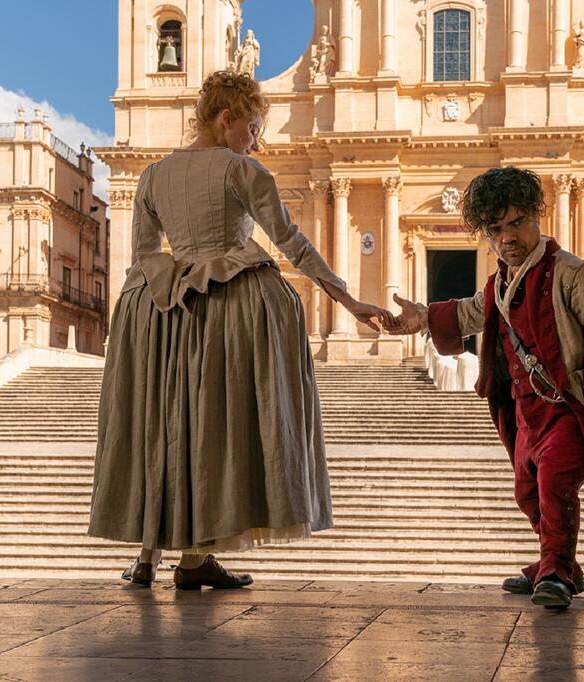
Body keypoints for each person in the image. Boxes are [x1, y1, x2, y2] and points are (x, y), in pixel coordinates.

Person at [88, 70, 392, 589]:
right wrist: (347, 298)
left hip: (160, 313)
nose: (256, 140)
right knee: (214, 431)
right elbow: (290, 242)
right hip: (226, 310)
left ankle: (149, 553)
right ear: (226, 119)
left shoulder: (153, 175)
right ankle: (193, 558)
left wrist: (169, 287)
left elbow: (144, 253)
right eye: (252, 128)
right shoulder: (243, 171)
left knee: (161, 423)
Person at [385, 167, 584, 609]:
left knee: (555, 481)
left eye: (516, 222)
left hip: (567, 404)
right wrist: (422, 317)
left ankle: (555, 568)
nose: (507, 237)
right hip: (525, 411)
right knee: (527, 489)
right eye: (496, 229)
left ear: (538, 216)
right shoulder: (498, 283)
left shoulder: (577, 274)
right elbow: (468, 315)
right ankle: (558, 565)